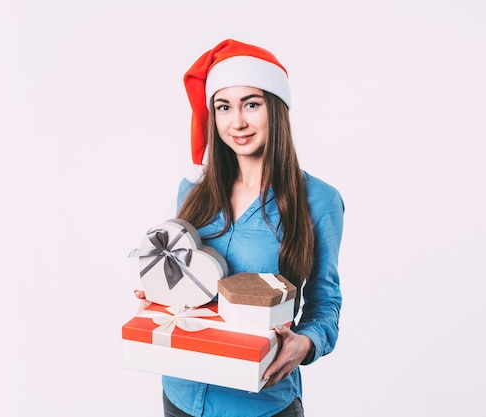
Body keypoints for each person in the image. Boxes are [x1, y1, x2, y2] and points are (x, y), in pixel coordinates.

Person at [135, 39, 344, 417]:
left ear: (276, 109)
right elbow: (184, 280)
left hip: (260, 404)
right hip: (180, 393)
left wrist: (307, 343)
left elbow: (325, 301)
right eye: (223, 107)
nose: (238, 122)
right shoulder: (193, 188)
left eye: (251, 104)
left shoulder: (319, 201)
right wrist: (157, 296)